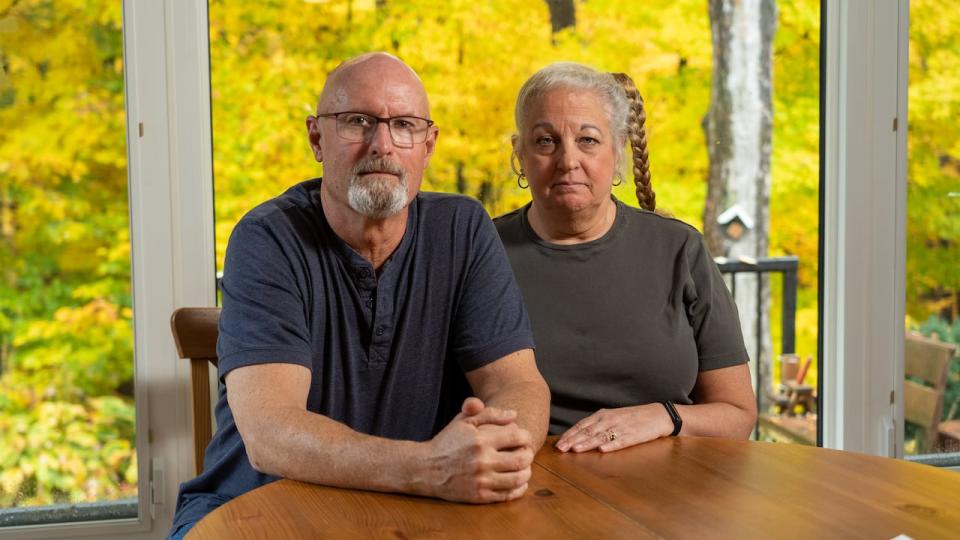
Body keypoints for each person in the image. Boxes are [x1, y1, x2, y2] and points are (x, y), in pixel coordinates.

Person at [169, 52, 550, 538]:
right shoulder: (268, 238)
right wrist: (429, 467)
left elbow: (517, 383)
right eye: (357, 122)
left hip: (411, 513)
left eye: (404, 125)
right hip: (251, 510)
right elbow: (271, 436)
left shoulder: (463, 229)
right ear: (316, 138)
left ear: (428, 145)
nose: (382, 145)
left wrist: (502, 451)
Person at [494, 62, 756, 454]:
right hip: (528, 482)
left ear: (618, 151)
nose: (568, 161)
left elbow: (738, 414)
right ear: (520, 154)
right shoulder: (481, 252)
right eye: (546, 141)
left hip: (667, 491)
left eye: (588, 140)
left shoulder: (680, 250)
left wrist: (663, 417)